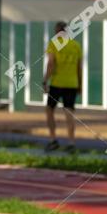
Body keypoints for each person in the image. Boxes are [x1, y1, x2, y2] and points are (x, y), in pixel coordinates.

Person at [43, 21, 82, 153]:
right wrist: (80, 85)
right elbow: (79, 68)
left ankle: (53, 140)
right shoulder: (76, 45)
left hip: (57, 83)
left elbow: (51, 64)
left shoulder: (54, 44)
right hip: (72, 84)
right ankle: (71, 142)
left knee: (49, 110)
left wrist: (44, 80)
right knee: (69, 112)